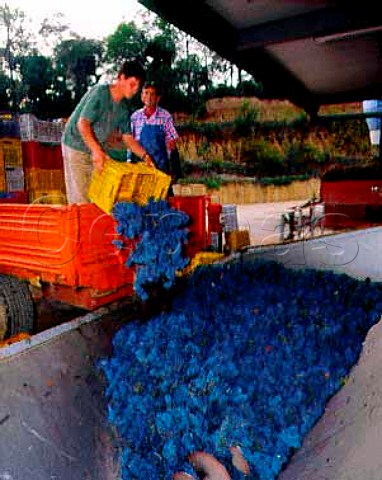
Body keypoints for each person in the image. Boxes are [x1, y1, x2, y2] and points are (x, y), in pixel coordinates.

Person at [61, 59, 155, 203]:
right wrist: (97, 150)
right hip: (75, 144)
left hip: (96, 149)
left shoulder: (123, 108)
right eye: (132, 84)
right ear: (121, 78)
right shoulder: (100, 93)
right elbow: (82, 124)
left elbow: (127, 138)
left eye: (138, 86)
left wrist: (145, 156)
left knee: (98, 196)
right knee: (80, 199)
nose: (135, 90)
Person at [130, 81, 181, 181]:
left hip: (161, 168)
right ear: (142, 96)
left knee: (161, 195)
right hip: (141, 168)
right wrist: (129, 161)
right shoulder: (135, 117)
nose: (149, 97)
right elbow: (131, 143)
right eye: (146, 93)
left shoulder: (165, 116)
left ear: (158, 98)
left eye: (152, 94)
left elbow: (172, 143)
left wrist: (173, 167)